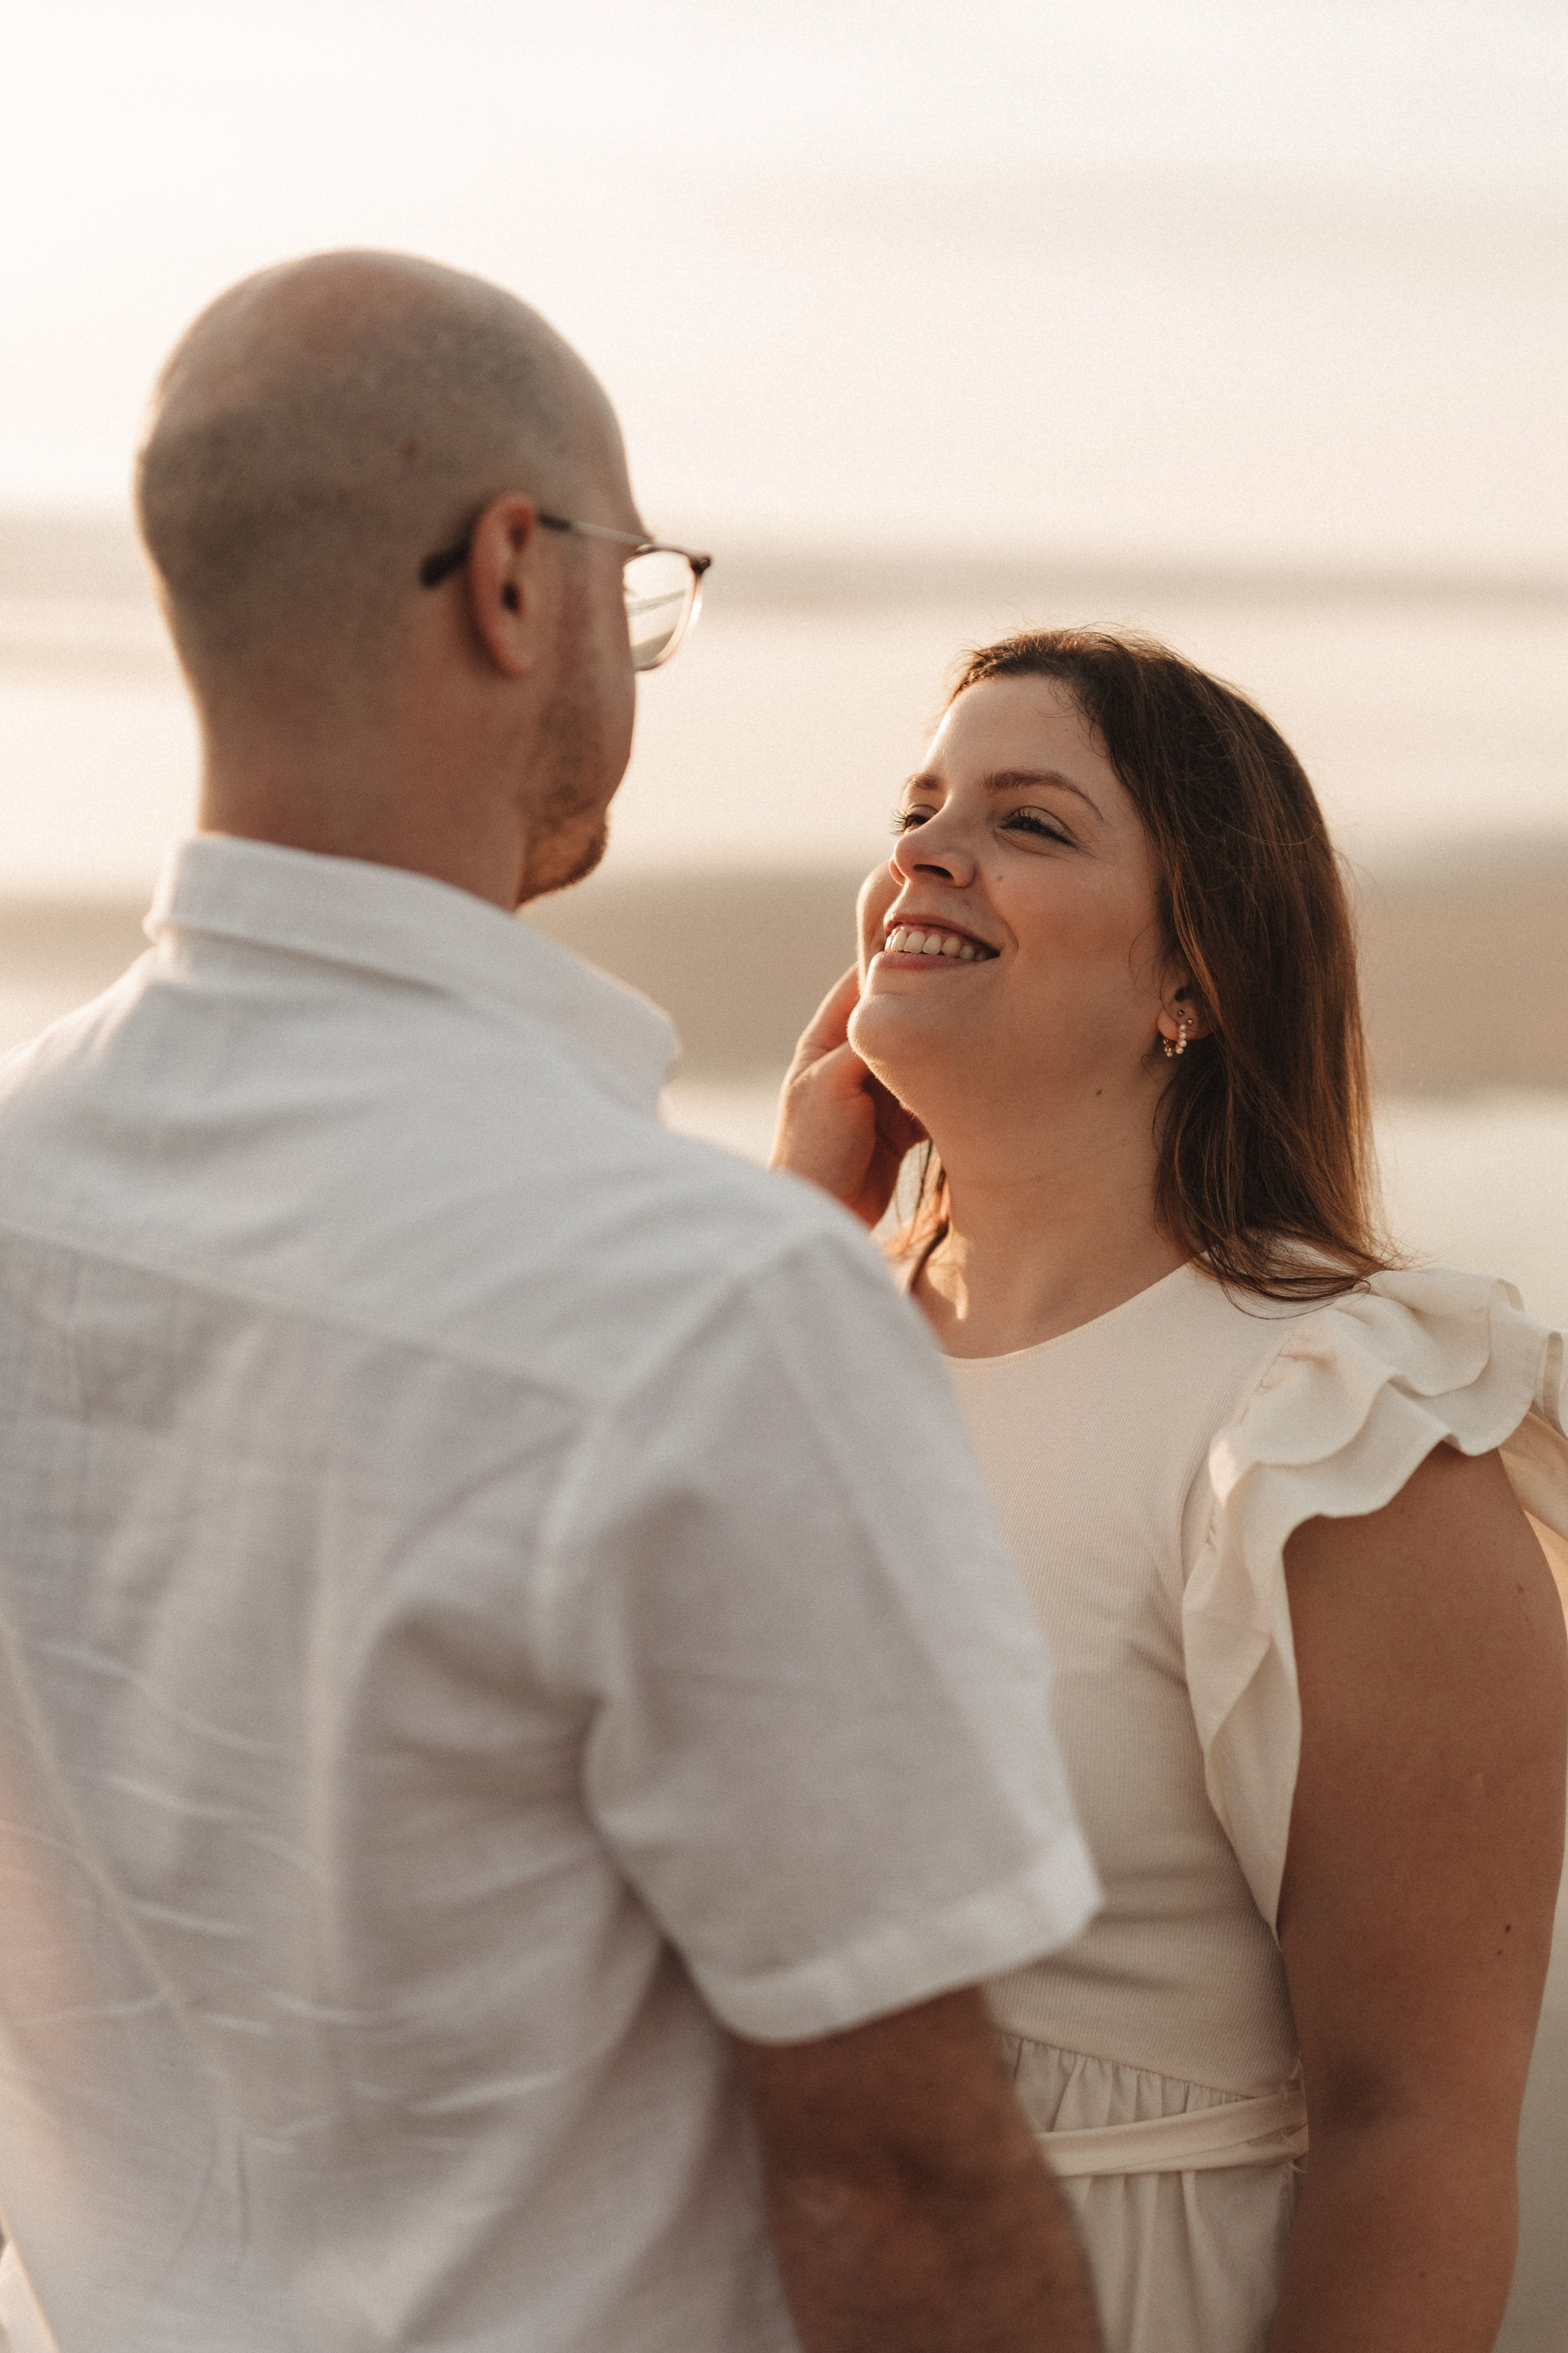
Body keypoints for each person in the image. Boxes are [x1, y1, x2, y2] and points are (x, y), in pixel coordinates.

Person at [0, 255, 1106, 2353]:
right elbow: (900, 2180)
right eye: (635, 576)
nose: (634, 637)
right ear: (515, 579)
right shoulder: (713, 1316)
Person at [771, 625, 1568, 2353]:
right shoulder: (788, 1346)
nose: (923, 850)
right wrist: (780, 1260)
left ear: (1189, 975)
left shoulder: (1336, 1429)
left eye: (1028, 821)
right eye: (921, 807)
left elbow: (1417, 2132)